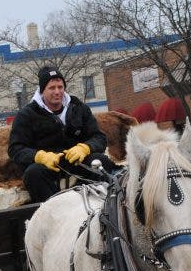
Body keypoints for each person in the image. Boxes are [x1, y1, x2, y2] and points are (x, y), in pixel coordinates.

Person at [8, 65, 114, 203]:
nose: (57, 92)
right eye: (52, 88)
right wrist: (40, 156)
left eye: (60, 87)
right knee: (32, 174)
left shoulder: (78, 107)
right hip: (49, 166)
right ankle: (54, 211)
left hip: (77, 162)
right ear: (42, 90)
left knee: (101, 161)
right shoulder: (26, 114)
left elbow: (99, 137)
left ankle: (102, 206)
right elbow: (15, 148)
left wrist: (84, 148)